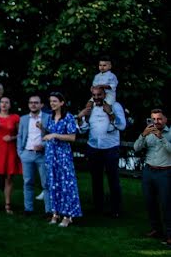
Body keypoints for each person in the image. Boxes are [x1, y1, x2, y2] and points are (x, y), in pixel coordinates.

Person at [78, 86, 127, 217]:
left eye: (99, 95)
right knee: (96, 179)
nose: (96, 98)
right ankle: (98, 208)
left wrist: (110, 113)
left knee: (113, 179)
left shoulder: (115, 106)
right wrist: (80, 118)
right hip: (93, 147)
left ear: (105, 95)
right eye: (94, 95)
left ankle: (116, 210)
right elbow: (83, 129)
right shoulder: (90, 107)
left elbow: (122, 126)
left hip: (110, 147)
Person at [43, 92, 81, 227]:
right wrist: (44, 130)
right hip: (51, 155)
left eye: (55, 101)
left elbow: (72, 137)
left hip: (63, 156)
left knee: (66, 185)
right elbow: (49, 133)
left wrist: (54, 135)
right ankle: (55, 213)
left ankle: (68, 215)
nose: (52, 103)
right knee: (53, 184)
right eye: (50, 101)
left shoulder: (69, 117)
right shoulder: (50, 117)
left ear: (61, 103)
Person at [136, 109, 171, 247]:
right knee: (150, 202)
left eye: (159, 119)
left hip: (165, 172)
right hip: (149, 171)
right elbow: (136, 148)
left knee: (166, 204)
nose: (156, 122)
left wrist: (161, 137)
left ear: (166, 119)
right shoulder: (148, 132)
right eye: (153, 119)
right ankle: (156, 229)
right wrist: (143, 135)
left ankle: (169, 234)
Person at [17, 95, 51, 215]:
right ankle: (28, 209)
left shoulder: (48, 117)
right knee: (28, 182)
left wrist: (44, 145)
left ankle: (49, 210)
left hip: (43, 155)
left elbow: (52, 135)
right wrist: (20, 152)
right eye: (31, 102)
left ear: (41, 105)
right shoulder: (24, 119)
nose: (33, 105)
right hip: (27, 154)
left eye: (36, 103)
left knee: (46, 183)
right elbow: (20, 136)